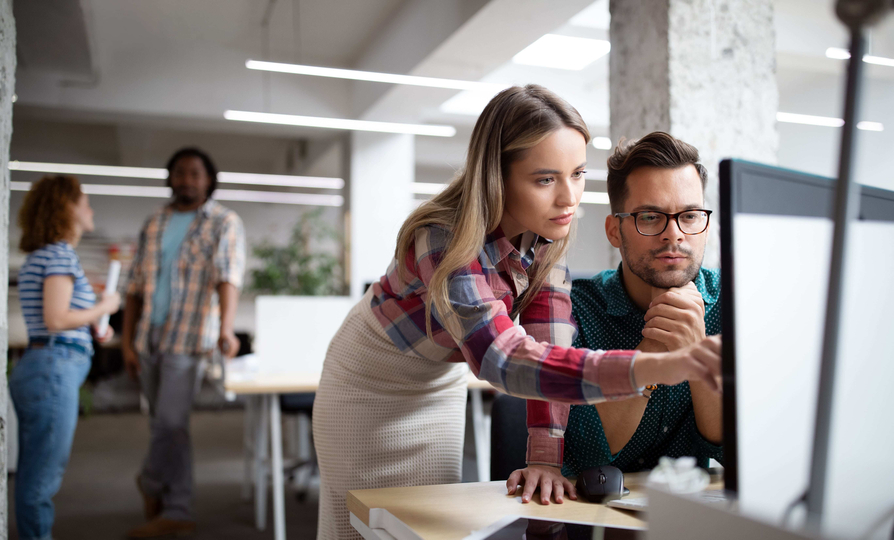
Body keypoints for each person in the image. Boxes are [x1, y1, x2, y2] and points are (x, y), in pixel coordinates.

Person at [312, 86, 722, 539]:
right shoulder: (443, 237)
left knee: (420, 524)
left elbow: (549, 349)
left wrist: (545, 460)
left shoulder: (546, 236)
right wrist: (656, 365)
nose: (569, 198)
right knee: (360, 525)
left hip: (439, 379)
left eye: (578, 174)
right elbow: (504, 360)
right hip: (371, 381)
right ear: (498, 178)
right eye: (546, 179)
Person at [509, 132, 722, 503]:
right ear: (614, 231)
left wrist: (696, 348)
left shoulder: (733, 304)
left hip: (690, 515)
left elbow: (742, 455)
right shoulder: (571, 310)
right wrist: (653, 350)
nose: (674, 235)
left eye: (689, 216)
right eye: (650, 217)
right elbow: (587, 458)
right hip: (588, 519)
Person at [122, 148, 245, 538]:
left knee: (170, 422)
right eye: (179, 172)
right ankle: (178, 509)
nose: (186, 180)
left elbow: (228, 277)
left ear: (208, 180)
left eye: (195, 173)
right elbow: (133, 287)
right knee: (168, 428)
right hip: (148, 337)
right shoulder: (154, 222)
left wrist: (227, 328)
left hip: (189, 338)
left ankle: (150, 481)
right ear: (170, 178)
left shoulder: (223, 221)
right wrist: (127, 343)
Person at [11, 175, 121, 540]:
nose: (91, 210)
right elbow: (56, 319)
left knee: (34, 472)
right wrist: (104, 306)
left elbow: (58, 318)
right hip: (53, 368)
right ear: (66, 207)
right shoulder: (59, 254)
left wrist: (94, 324)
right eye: (85, 202)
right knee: (41, 479)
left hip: (44, 365)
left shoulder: (42, 255)